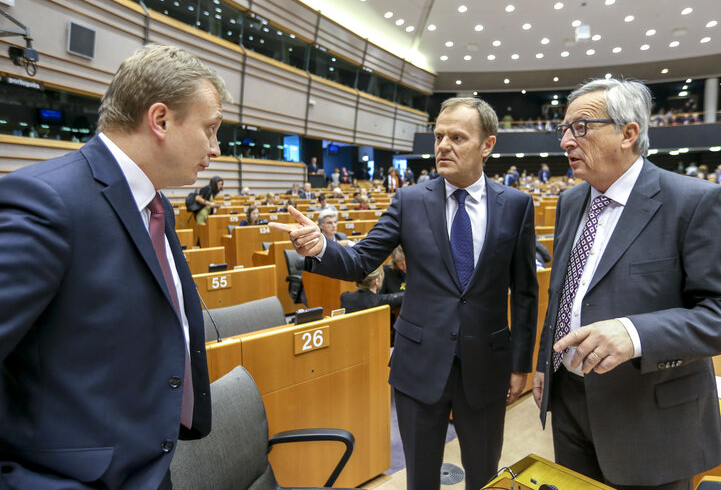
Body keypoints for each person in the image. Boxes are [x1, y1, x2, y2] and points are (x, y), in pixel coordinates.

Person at [271, 97, 538, 490]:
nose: (443, 145)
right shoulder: (410, 200)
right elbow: (361, 260)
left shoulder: (515, 205)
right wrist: (320, 249)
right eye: (439, 136)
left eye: (458, 137)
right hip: (419, 368)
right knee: (421, 480)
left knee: (484, 476)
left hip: (486, 366)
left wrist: (520, 364)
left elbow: (527, 292)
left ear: (487, 145)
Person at [0, 44, 231, 489]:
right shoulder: (48, 199)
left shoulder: (153, 199)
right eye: (210, 129)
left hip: (146, 466)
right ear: (161, 120)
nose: (216, 149)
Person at [532, 78, 721, 490]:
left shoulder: (696, 202)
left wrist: (635, 333)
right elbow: (562, 295)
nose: (566, 141)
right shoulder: (571, 202)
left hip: (652, 419)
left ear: (628, 133)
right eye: (563, 129)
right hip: (570, 404)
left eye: (580, 127)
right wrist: (543, 367)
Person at [341, 265, 405, 346]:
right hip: (373, 348)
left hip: (349, 345)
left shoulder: (345, 297)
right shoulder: (379, 302)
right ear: (376, 281)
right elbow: (403, 296)